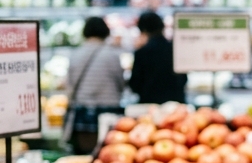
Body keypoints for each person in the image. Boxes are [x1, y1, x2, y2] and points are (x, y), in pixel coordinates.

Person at [64, 17, 128, 155]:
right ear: (105, 32)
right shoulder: (112, 55)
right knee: (108, 155)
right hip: (109, 114)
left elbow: (69, 85)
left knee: (83, 158)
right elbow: (121, 84)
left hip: (83, 115)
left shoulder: (75, 54)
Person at [128, 12, 185, 105]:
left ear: (143, 30)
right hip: (176, 105)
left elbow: (135, 84)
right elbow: (183, 79)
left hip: (149, 106)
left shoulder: (142, 53)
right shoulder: (176, 50)